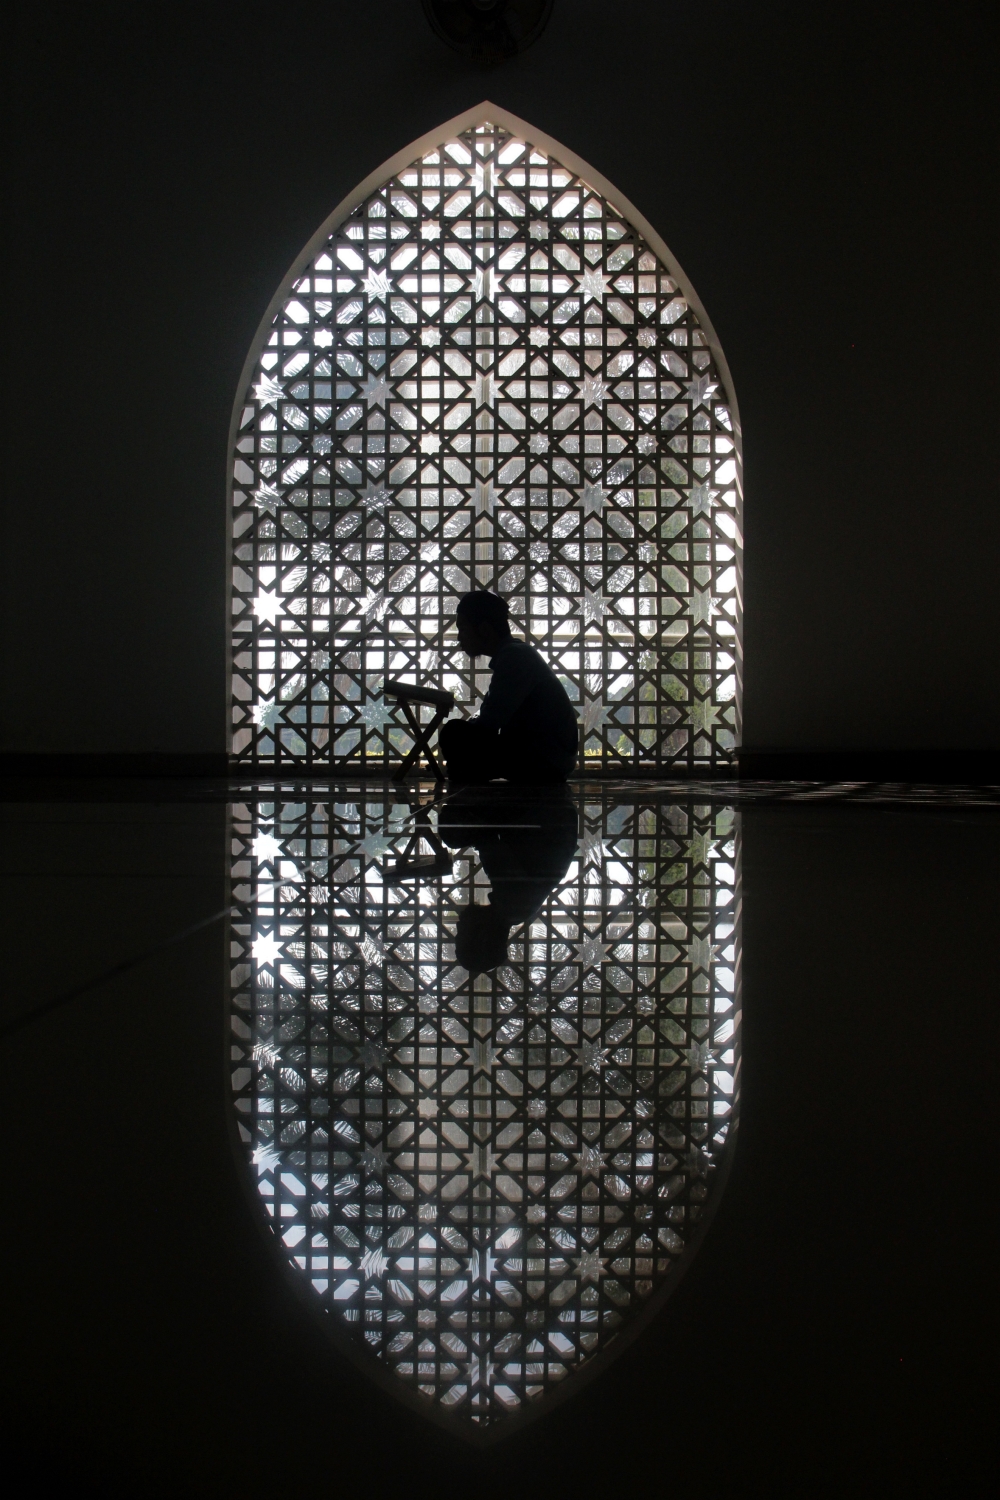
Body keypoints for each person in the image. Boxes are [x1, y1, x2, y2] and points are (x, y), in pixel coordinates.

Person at [438, 591, 579, 785]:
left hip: (546, 760)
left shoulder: (514, 658)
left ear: (485, 629)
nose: (459, 638)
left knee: (453, 733)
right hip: (551, 757)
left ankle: (467, 775)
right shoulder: (514, 654)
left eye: (463, 628)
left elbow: (490, 722)